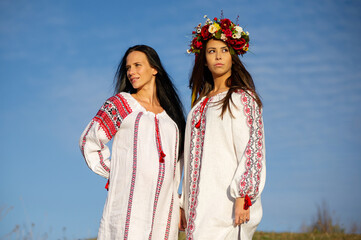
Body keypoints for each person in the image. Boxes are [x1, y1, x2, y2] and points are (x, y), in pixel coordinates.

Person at [79, 45, 185, 239]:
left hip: (164, 210)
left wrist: (179, 204)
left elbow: (176, 166)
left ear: (155, 69)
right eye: (128, 68)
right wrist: (118, 172)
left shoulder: (172, 119)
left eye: (137, 65)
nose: (131, 72)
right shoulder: (121, 104)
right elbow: (89, 141)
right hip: (128, 205)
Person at [180, 15, 266, 240]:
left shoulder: (242, 97)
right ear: (204, 60)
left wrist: (243, 195)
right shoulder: (198, 106)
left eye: (224, 50)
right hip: (199, 207)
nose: (218, 55)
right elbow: (187, 159)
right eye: (211, 51)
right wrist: (183, 202)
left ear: (233, 56)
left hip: (227, 204)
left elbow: (253, 147)